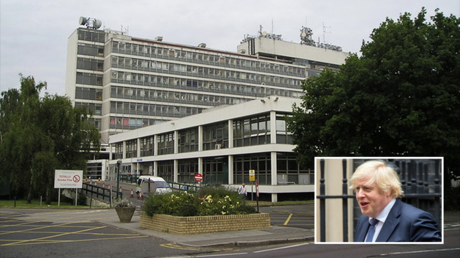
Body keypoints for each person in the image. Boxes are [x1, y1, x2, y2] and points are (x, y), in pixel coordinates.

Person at [349, 160, 441, 242]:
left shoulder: (417, 221)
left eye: (367, 188)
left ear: (387, 190)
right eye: (357, 188)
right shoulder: (364, 220)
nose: (359, 195)